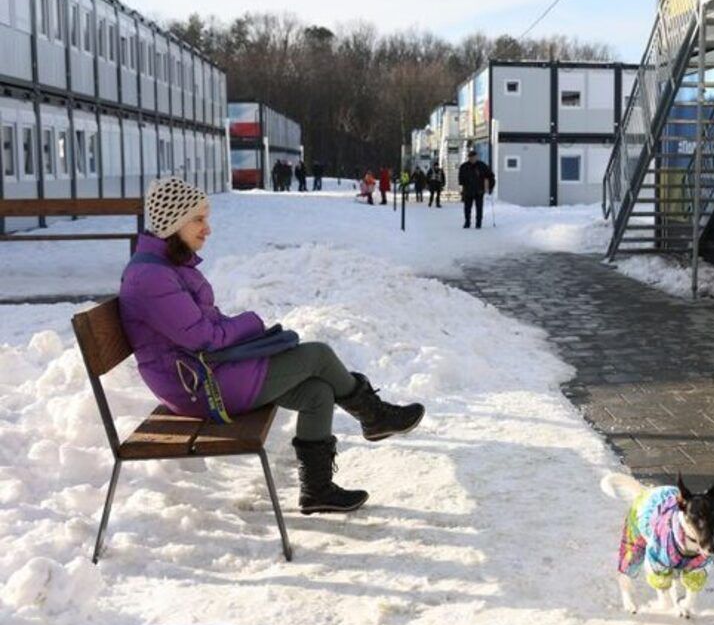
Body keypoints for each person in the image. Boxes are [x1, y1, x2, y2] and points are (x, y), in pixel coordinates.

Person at [118, 178, 426, 514]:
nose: (207, 229)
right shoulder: (151, 278)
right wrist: (250, 323)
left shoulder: (167, 267)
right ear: (173, 223)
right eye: (198, 219)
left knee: (318, 392)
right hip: (198, 386)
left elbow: (204, 327)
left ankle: (317, 490)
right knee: (318, 355)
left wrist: (249, 334)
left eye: (206, 218)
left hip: (204, 372)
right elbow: (203, 335)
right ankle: (374, 416)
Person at [457, 149, 494, 228]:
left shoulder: (482, 165)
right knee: (467, 208)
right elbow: (460, 178)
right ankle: (467, 222)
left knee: (479, 208)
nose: (472, 159)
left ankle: (478, 223)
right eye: (471, 157)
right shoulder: (464, 166)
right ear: (469, 158)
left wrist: (490, 187)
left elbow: (490, 176)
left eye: (474, 157)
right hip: (468, 190)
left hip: (479, 190)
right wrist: (462, 186)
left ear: (476, 157)